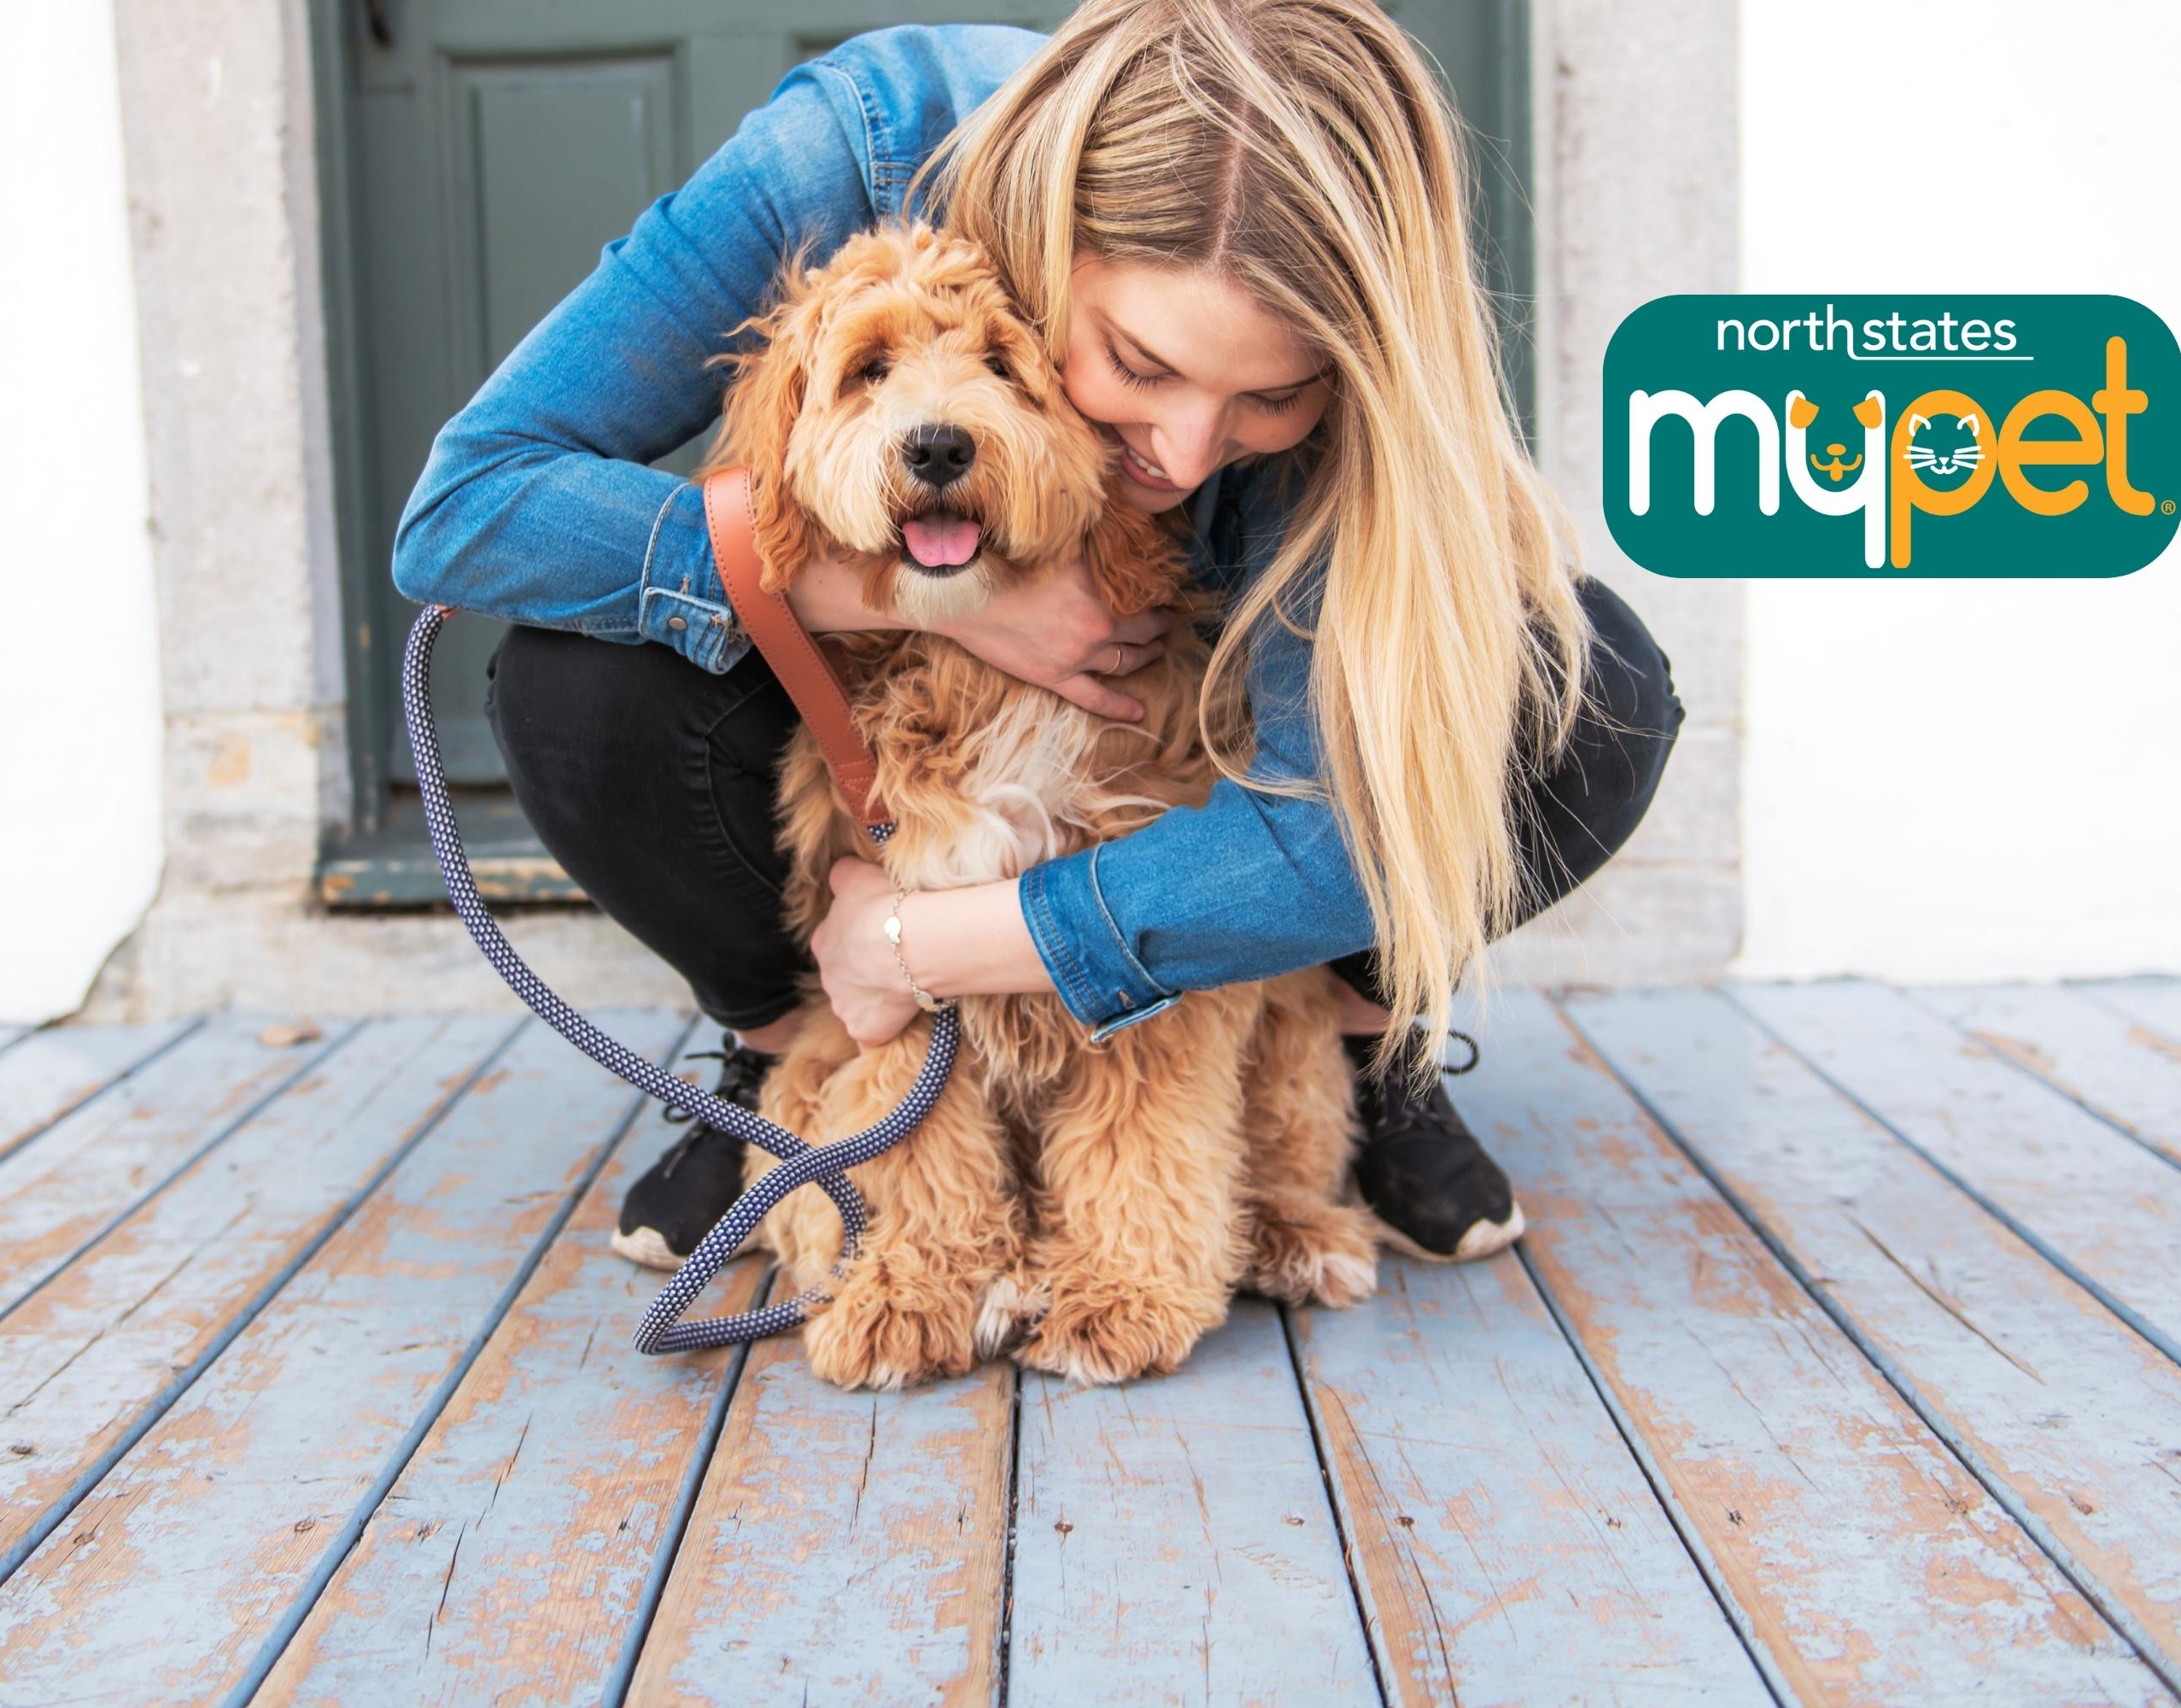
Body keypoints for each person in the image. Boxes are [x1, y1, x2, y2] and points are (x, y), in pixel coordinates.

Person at [390, 0, 1682, 1272]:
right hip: (888, 729)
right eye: (1135, 360)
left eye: (1273, 396)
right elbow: (466, 508)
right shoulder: (855, 150)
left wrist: (915, 941)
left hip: (1182, 750)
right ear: (1049, 241)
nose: (1181, 453)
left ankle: (1349, 1038)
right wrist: (917, 592)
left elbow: (1334, 838)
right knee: (577, 688)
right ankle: (793, 1054)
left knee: (1582, 687)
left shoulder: (1344, 366)